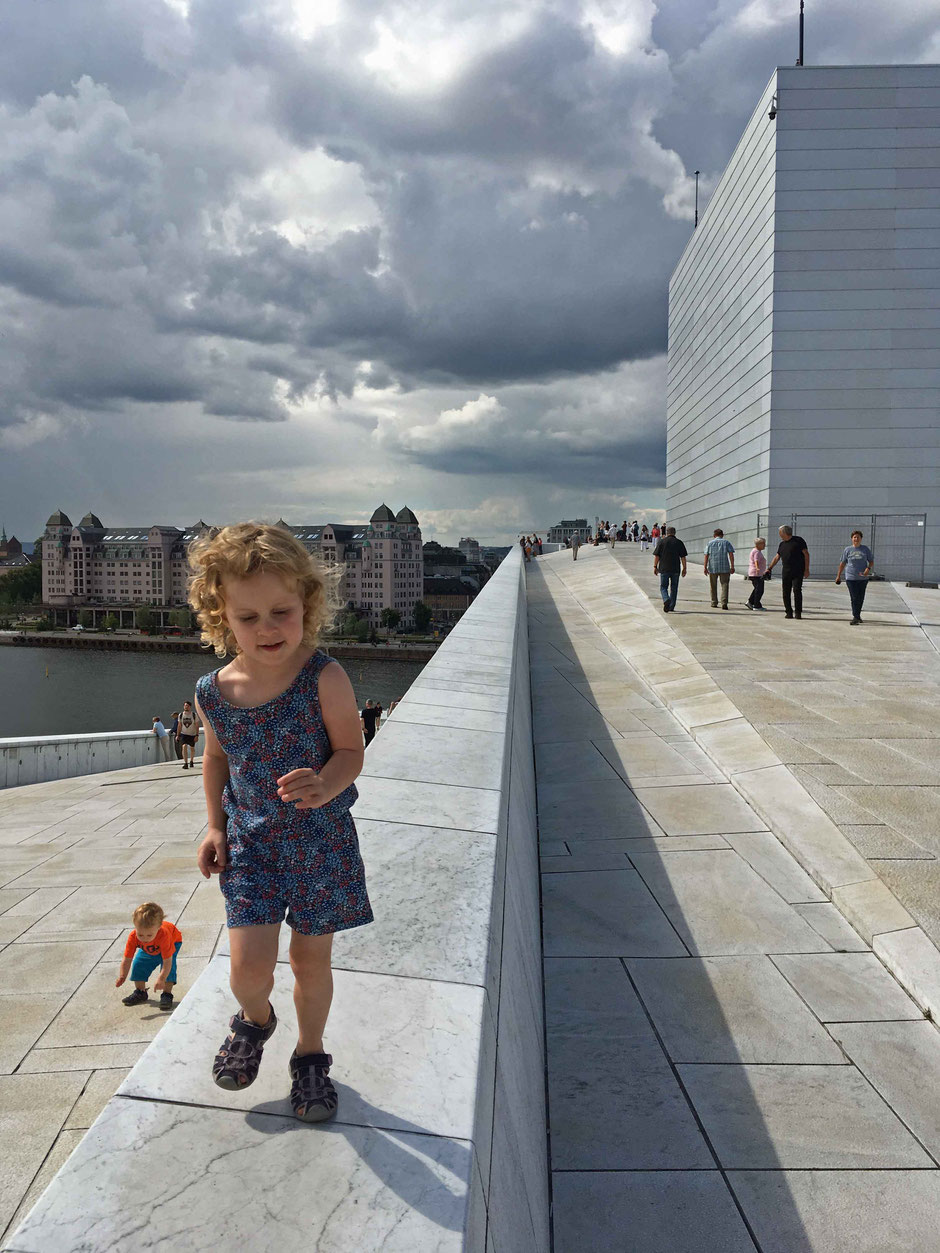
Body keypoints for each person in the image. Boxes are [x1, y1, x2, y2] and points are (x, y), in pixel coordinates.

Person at [189, 522, 372, 1123]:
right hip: (251, 847)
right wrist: (214, 826)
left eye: (281, 611)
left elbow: (351, 751)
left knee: (310, 962)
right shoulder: (214, 692)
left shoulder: (325, 676)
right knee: (248, 967)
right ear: (221, 617)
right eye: (248, 617)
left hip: (319, 844)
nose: (268, 629)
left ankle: (310, 1055)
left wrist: (327, 782)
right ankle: (255, 1019)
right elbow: (216, 758)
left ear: (307, 606)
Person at [116, 901, 182, 1011]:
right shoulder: (133, 936)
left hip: (173, 942)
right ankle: (141, 992)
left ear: (159, 927)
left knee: (169, 969)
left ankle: (167, 994)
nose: (145, 938)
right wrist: (122, 975)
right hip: (150, 948)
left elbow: (167, 962)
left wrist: (161, 978)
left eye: (149, 935)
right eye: (140, 934)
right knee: (138, 963)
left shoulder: (164, 935)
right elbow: (127, 959)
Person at [766, 525, 810, 619]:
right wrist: (769, 568)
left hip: (798, 571)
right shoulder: (782, 544)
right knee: (786, 592)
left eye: (780, 533)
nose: (779, 535)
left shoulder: (798, 541)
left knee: (797, 590)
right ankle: (788, 612)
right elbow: (777, 557)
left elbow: (806, 554)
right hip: (786, 571)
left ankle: (798, 612)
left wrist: (806, 569)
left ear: (784, 533)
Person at [836, 530, 874, 624]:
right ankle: (855, 617)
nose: (856, 539)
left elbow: (871, 561)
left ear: (861, 539)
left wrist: (868, 569)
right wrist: (838, 576)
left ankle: (857, 615)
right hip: (851, 577)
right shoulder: (847, 550)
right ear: (852, 539)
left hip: (863, 578)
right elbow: (843, 563)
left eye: (858, 537)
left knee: (860, 598)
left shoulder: (865, 549)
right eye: (854, 537)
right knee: (854, 597)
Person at [653, 526, 687, 612]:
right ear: (675, 533)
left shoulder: (661, 542)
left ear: (667, 533)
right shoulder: (679, 542)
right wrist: (684, 568)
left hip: (664, 568)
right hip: (675, 569)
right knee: (674, 588)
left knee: (663, 587)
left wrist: (655, 566)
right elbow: (683, 557)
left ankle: (666, 599)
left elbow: (657, 555)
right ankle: (671, 606)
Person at [703, 528, 735, 610]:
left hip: (713, 567)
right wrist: (732, 566)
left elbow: (706, 555)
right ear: (722, 535)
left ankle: (714, 602)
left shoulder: (710, 543)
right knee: (725, 584)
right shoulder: (726, 542)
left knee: (713, 585)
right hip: (725, 567)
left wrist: (705, 567)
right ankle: (724, 602)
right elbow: (731, 554)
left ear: (714, 535)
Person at [177, 699, 200, 769]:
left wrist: (197, 735)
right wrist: (178, 735)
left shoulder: (194, 715)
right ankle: (185, 763)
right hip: (184, 734)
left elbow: (196, 725)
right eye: (185, 705)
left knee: (192, 748)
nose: (185, 707)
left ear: (190, 707)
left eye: (187, 705)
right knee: (184, 746)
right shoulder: (181, 715)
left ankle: (191, 761)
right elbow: (179, 725)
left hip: (192, 734)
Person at [747, 538, 768, 610]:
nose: (765, 545)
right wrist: (757, 568)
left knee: (757, 589)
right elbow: (756, 560)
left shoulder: (756, 551)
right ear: (758, 544)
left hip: (755, 573)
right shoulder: (757, 552)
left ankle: (750, 602)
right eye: (763, 544)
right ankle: (756, 605)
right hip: (756, 574)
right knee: (759, 590)